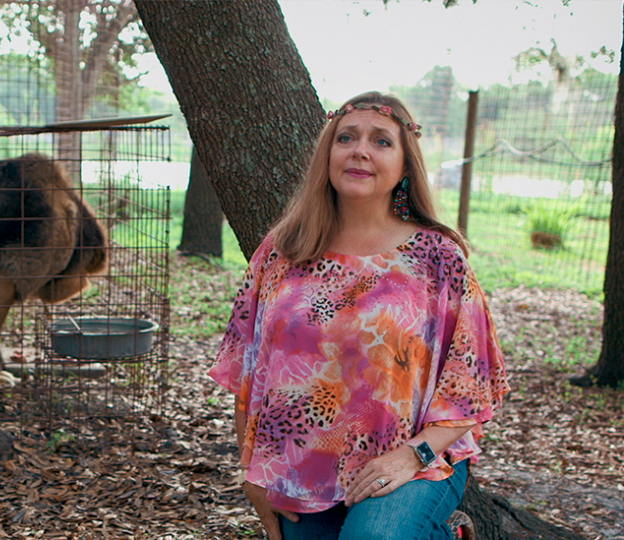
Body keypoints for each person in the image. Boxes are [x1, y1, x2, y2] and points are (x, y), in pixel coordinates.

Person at [209, 91, 509, 540]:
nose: (360, 150)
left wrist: (413, 456)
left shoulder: (437, 258)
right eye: (346, 138)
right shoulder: (284, 251)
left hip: (410, 461)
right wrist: (251, 471)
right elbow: (248, 369)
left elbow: (471, 384)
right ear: (328, 154)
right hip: (300, 467)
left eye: (382, 141)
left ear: (405, 165)